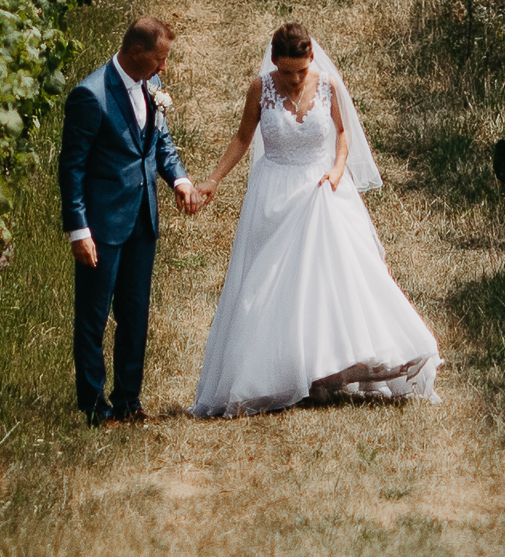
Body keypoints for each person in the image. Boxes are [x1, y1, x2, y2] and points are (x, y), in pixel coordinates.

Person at [189, 21, 441, 417]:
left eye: (301, 71)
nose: (293, 80)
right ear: (273, 63)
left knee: (336, 276)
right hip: (273, 191)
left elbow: (343, 132)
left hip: (322, 187)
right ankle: (278, 370)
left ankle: (333, 366)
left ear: (311, 60)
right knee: (270, 282)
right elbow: (242, 137)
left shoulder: (328, 85)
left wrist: (339, 168)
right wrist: (213, 181)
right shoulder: (261, 89)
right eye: (286, 72)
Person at [59, 16, 201, 422]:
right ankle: (92, 405)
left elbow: (161, 144)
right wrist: (78, 228)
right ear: (136, 52)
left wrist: (179, 179)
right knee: (93, 315)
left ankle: (128, 400)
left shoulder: (151, 89)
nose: (164, 68)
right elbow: (71, 168)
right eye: (160, 59)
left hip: (142, 220)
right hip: (100, 224)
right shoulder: (90, 95)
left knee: (135, 312)